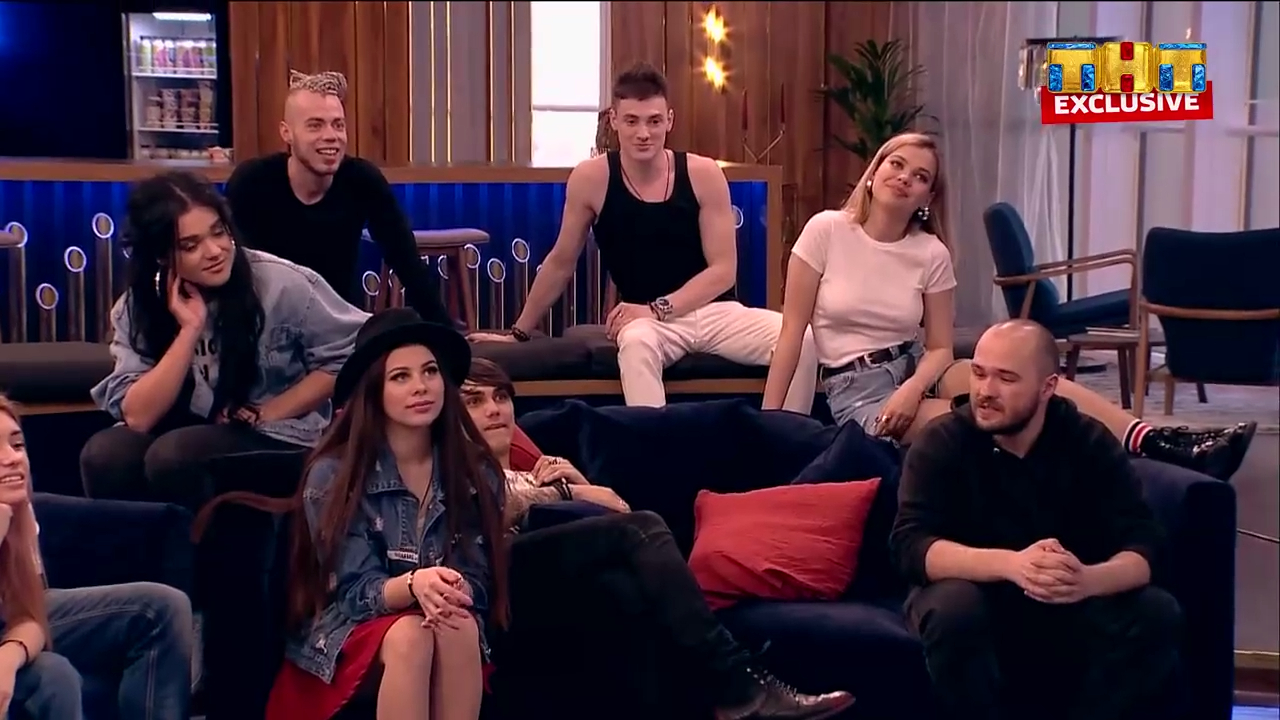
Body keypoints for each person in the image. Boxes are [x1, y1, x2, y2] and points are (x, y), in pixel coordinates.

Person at [763, 132, 1255, 480]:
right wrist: (765, 424)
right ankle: (1124, 467)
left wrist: (911, 388)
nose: (905, 177)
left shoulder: (930, 253)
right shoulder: (826, 231)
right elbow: (791, 333)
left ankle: (1158, 441)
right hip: (860, 389)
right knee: (982, 422)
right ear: (874, 172)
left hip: (920, 368)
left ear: (928, 197)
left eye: (920, 176)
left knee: (1027, 385)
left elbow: (939, 347)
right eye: (896, 164)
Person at [460, 357, 856, 720]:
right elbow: (498, 507)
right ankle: (739, 682)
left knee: (628, 591)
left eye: (501, 397)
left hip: (553, 589)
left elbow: (619, 509)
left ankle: (727, 698)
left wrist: (577, 482)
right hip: (496, 580)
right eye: (475, 401)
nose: (494, 409)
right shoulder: (458, 466)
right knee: (644, 529)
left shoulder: (538, 469)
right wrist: (568, 491)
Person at [193, 309, 508, 720]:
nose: (421, 387)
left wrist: (451, 587)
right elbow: (356, 593)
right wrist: (415, 584)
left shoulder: (476, 472)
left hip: (443, 619)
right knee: (411, 637)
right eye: (401, 377)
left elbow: (481, 582)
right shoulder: (333, 475)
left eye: (430, 371)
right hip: (351, 626)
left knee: (458, 624)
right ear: (373, 390)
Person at [468, 62, 818, 412]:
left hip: (714, 312)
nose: (643, 133)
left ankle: (784, 433)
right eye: (632, 121)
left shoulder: (703, 173)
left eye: (654, 121)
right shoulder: (591, 179)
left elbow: (723, 271)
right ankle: (656, 443)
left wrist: (659, 308)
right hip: (646, 322)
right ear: (614, 120)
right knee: (635, 346)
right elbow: (561, 262)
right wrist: (518, 333)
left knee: (802, 338)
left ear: (670, 120)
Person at [887, 320, 1183, 719]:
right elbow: (910, 546)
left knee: (1155, 612)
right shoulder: (943, 441)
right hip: (975, 595)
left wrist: (1087, 580)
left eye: (1006, 378)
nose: (985, 391)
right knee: (954, 608)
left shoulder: (1088, 441)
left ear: (1048, 387)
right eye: (979, 373)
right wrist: (1013, 565)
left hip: (1067, 599)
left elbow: (1145, 545)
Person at [79, 170, 369, 511]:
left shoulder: (280, 284)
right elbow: (139, 417)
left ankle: (204, 546)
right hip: (181, 429)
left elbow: (352, 352)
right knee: (105, 456)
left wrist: (268, 412)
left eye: (219, 232)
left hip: (276, 434)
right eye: (190, 245)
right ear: (161, 256)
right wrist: (189, 331)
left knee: (174, 456)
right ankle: (144, 547)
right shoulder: (136, 307)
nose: (215, 251)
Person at [0, 395, 194, 720]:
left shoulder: (18, 508)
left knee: (159, 608)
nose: (12, 458)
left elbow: (30, 613)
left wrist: (11, 654)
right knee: (52, 674)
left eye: (17, 445)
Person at [225, 70, 453, 327]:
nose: (331, 135)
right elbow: (232, 271)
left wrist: (450, 337)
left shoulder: (361, 179)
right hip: (267, 328)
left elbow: (406, 261)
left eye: (338, 125)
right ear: (286, 133)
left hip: (339, 329)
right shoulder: (252, 182)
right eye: (315, 125)